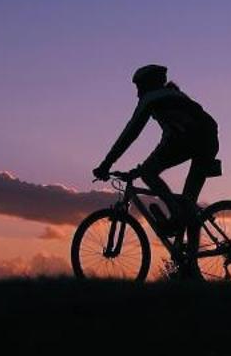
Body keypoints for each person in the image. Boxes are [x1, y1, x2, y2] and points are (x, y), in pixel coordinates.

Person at [93, 64, 220, 266]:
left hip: (191, 139)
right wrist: (142, 167)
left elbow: (130, 133)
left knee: (150, 175)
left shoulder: (152, 98)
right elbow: (169, 137)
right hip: (207, 140)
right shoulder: (174, 96)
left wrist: (106, 164)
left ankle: (175, 213)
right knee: (188, 203)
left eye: (139, 87)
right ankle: (191, 265)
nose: (137, 93)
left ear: (148, 85)